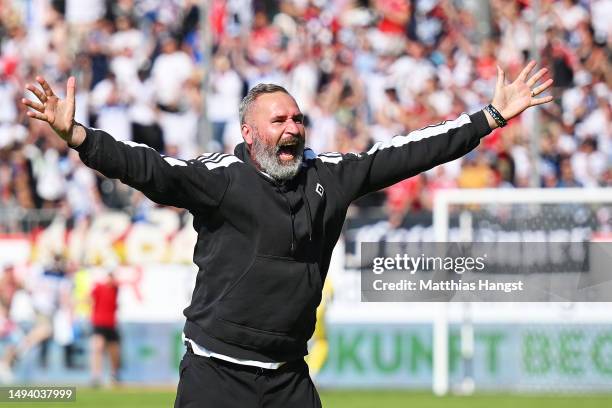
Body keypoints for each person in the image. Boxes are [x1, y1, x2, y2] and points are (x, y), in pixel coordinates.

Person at [22, 60, 553, 407]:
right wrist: (80, 137)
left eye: (298, 119)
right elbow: (150, 169)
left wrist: (490, 116)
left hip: (287, 379)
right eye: (278, 121)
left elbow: (409, 151)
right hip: (216, 375)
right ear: (250, 134)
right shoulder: (220, 179)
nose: (293, 128)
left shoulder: (331, 175)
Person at [89, 270, 121, 387]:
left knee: (114, 351)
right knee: (98, 347)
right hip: (99, 322)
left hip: (111, 324)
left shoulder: (115, 289)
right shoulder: (99, 288)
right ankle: (96, 376)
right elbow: (90, 299)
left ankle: (114, 375)